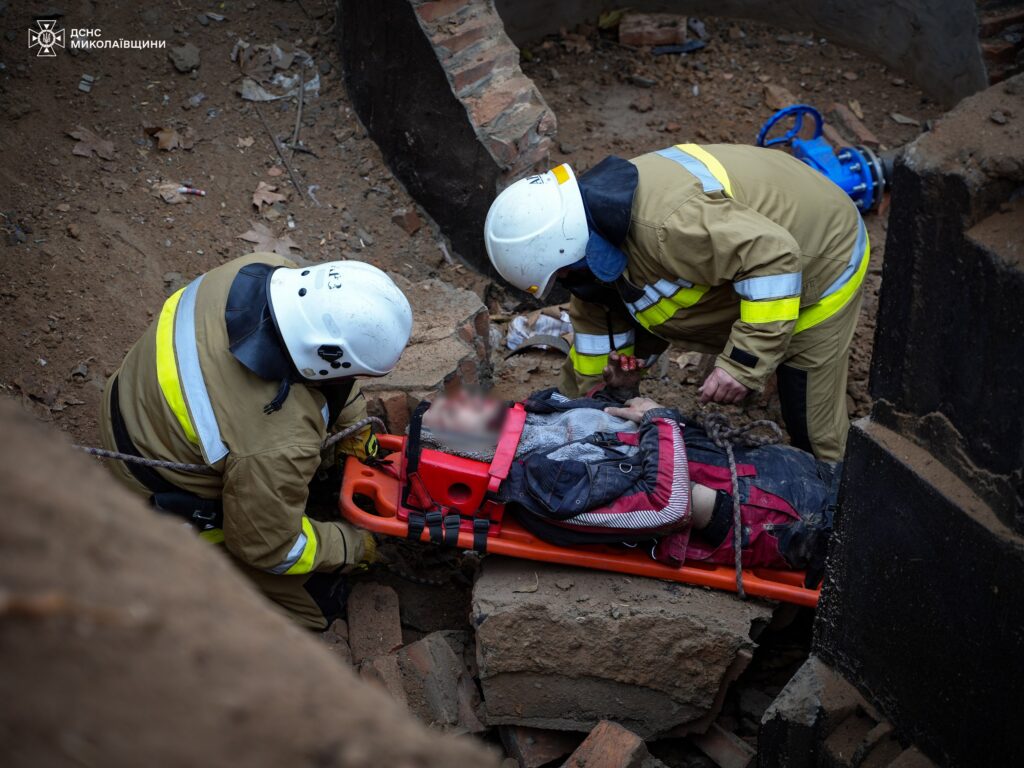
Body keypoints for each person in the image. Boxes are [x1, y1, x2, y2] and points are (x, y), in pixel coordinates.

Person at [484, 143, 868, 461]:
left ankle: (839, 511)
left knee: (813, 430)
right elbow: (593, 350)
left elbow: (775, 259)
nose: (567, 282)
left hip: (822, 257)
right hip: (751, 239)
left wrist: (742, 364)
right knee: (630, 305)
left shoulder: (667, 227)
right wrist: (578, 411)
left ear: (567, 244)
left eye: (564, 274)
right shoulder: (596, 223)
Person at [100, 253, 413, 629]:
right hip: (147, 476)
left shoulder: (260, 269)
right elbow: (269, 548)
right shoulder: (279, 439)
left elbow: (330, 374)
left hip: (131, 394)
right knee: (318, 603)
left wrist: (354, 426)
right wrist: (352, 545)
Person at [419, 386, 838, 579]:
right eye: (461, 413)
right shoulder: (545, 487)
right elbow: (668, 507)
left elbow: (611, 429)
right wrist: (660, 419)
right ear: (470, 448)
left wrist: (621, 392)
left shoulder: (537, 414)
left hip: (788, 469)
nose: (473, 401)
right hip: (789, 519)